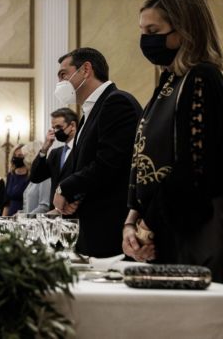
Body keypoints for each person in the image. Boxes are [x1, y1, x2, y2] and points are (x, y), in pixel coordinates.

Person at [123, 0, 223, 285]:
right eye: (142, 31)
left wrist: (147, 226)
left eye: (153, 30)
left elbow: (195, 167)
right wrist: (131, 223)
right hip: (163, 228)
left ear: (185, 31)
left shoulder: (202, 77)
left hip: (192, 233)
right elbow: (142, 160)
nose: (146, 39)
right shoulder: (169, 81)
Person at [53, 47, 141, 257]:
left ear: (85, 69)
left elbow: (109, 163)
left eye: (64, 74)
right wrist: (73, 197)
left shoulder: (117, 102)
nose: (60, 82)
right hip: (89, 225)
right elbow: (83, 166)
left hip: (110, 226)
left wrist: (64, 189)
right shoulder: (88, 113)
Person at [30, 108, 79, 210]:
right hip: (55, 212)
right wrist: (44, 148)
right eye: (54, 128)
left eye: (59, 127)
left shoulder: (82, 150)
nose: (56, 131)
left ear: (73, 125)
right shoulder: (55, 153)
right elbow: (36, 177)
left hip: (74, 210)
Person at [21, 141, 52, 214]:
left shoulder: (44, 177)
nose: (23, 160)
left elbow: (44, 206)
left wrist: (27, 217)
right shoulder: (33, 177)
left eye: (25, 156)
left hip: (37, 220)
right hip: (29, 220)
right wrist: (20, 214)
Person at [2, 144, 30, 216]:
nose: (16, 158)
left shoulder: (30, 176)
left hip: (24, 215)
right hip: (10, 215)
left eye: (20, 156)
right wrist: (3, 219)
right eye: (14, 155)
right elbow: (7, 202)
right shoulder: (10, 175)